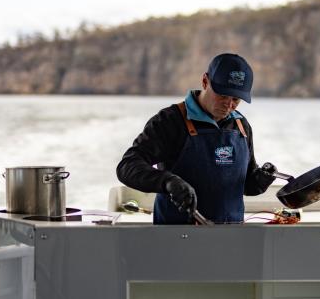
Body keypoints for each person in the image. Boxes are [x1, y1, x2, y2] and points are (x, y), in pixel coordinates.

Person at [116, 53, 279, 224]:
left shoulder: (241, 126)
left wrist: (261, 179)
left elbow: (247, 185)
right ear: (205, 82)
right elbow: (127, 166)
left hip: (232, 237)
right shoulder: (170, 121)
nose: (228, 105)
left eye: (236, 99)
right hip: (176, 237)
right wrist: (168, 181)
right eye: (222, 95)